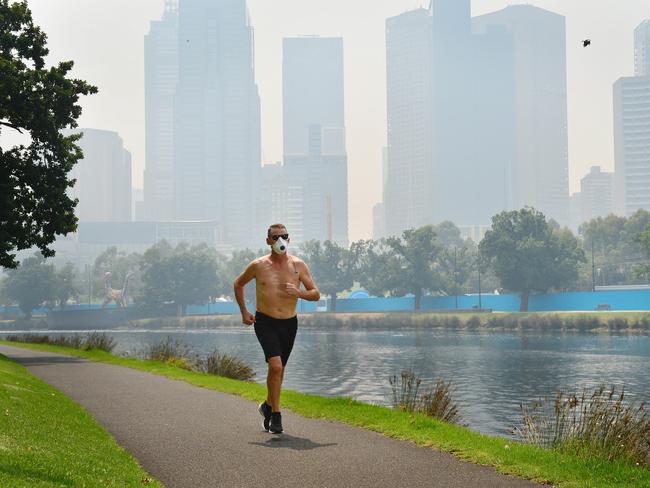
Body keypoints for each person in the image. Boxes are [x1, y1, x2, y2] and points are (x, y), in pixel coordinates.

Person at [233, 224, 320, 434]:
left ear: (289, 239)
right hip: (265, 321)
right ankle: (277, 415)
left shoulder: (298, 265)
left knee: (279, 371)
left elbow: (315, 293)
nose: (280, 240)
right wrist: (244, 312)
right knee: (276, 366)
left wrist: (299, 294)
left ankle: (267, 407)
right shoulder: (258, 265)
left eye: (284, 236)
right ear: (268, 240)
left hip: (289, 323)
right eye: (275, 237)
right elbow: (238, 284)